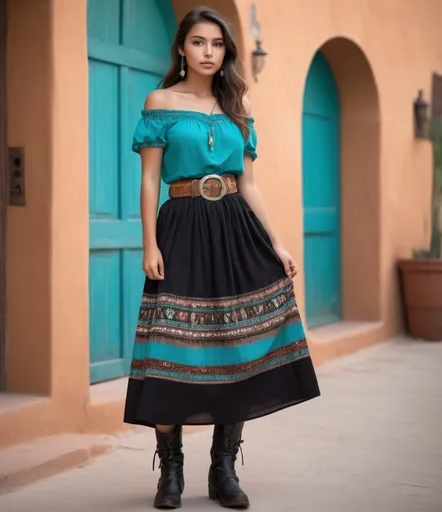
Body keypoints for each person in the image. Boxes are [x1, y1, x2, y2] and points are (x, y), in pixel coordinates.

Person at [123, 6, 320, 510]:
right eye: (198, 42)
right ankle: (171, 470)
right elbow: (149, 180)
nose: (208, 52)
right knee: (171, 350)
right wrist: (150, 243)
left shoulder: (238, 107)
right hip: (182, 227)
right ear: (182, 49)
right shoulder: (160, 102)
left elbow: (248, 184)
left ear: (226, 51)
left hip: (236, 228)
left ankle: (223, 467)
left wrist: (275, 242)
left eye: (217, 44)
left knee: (240, 349)